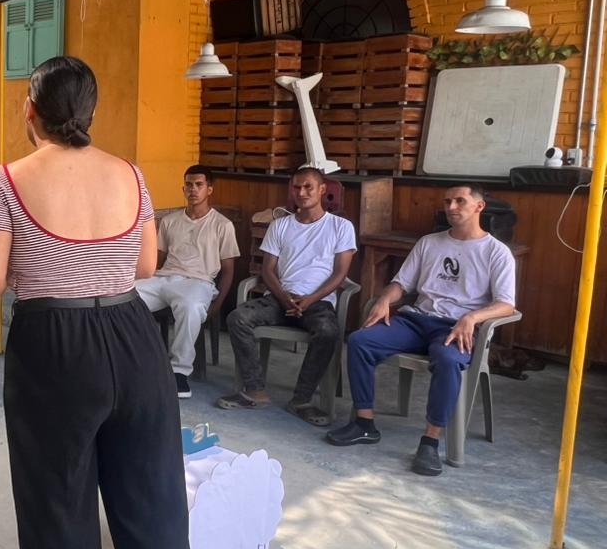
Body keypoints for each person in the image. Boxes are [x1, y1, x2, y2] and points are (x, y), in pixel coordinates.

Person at [0, 56, 208, 549]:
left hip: (53, 346)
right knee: (154, 505)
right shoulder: (130, 174)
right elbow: (146, 264)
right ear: (90, 112)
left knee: (59, 505)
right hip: (133, 339)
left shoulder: (5, 182)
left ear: (30, 110)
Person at [328, 185, 517, 476]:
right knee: (360, 341)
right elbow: (401, 284)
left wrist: (472, 317)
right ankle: (364, 424)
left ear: (479, 206)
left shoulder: (497, 252)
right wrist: (384, 300)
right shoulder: (429, 242)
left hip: (455, 328)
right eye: (448, 201)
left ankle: (430, 442)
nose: (451, 207)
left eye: (460, 201)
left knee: (448, 359)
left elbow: (506, 304)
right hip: (417, 320)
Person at [218, 168, 356, 424]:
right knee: (237, 318)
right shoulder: (280, 225)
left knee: (328, 331)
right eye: (297, 187)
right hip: (279, 299)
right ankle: (254, 389)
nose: (301, 192)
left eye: (308, 187)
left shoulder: (340, 227)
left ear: (322, 190)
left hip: (318, 302)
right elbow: (268, 270)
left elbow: (340, 274)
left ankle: (301, 399)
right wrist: (284, 298)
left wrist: (310, 299)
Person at [135, 165, 239, 398]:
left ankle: (178, 372)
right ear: (183, 188)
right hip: (164, 278)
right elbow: (157, 259)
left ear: (209, 189)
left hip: (198, 282)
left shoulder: (222, 225)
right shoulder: (170, 221)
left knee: (190, 307)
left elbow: (229, 270)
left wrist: (217, 305)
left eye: (199, 185)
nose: (193, 189)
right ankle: (134, 362)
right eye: (189, 185)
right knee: (126, 297)